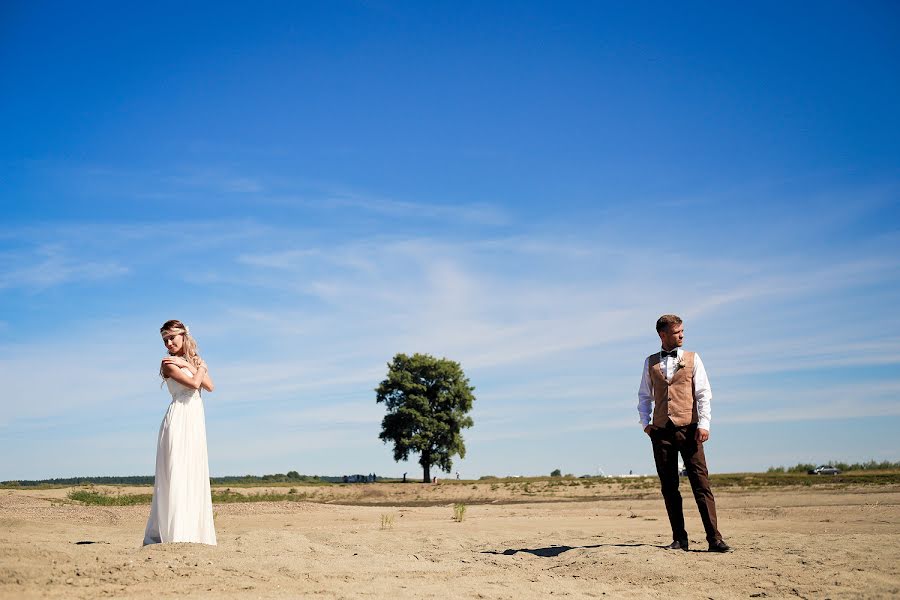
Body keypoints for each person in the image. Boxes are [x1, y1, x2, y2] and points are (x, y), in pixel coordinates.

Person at [637, 314, 731, 553]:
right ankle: (680, 539)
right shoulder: (650, 363)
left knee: (701, 484)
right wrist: (646, 424)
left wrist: (704, 424)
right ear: (663, 334)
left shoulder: (693, 359)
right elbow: (644, 396)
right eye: (677, 332)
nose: (682, 335)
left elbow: (703, 394)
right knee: (669, 487)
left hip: (690, 430)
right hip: (661, 432)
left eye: (682, 331)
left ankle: (714, 539)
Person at [143, 320, 217, 546]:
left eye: (172, 337)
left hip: (194, 419)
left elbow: (210, 386)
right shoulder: (167, 363)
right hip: (179, 417)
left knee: (193, 470)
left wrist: (195, 365)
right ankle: (174, 533)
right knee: (177, 470)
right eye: (165, 339)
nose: (168, 343)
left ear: (183, 336)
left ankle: (194, 533)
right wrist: (201, 367)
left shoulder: (188, 360)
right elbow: (196, 384)